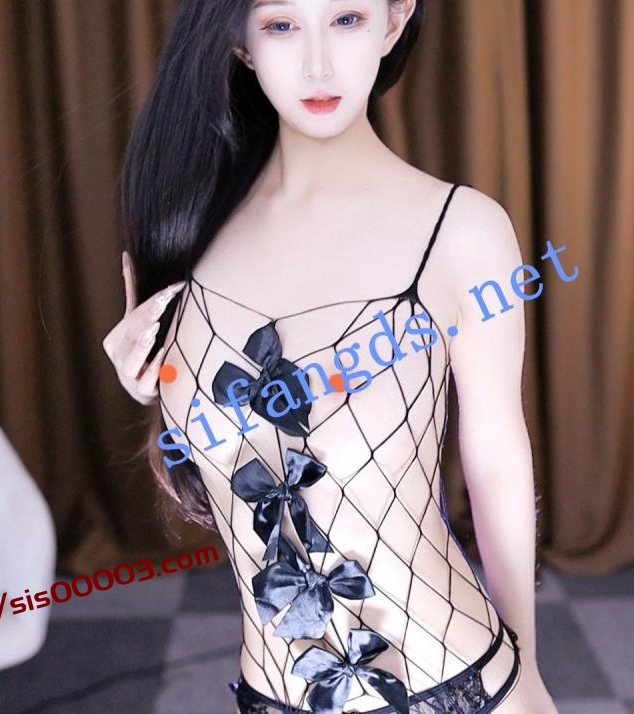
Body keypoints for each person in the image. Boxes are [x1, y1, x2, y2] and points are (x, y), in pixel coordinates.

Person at [102, 1, 556, 712]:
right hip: (268, 693)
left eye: (345, 18)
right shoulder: (189, 235)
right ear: (241, 42)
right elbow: (211, 456)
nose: (317, 64)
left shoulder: (460, 233)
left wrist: (526, 665)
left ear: (392, 22)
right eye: (281, 25)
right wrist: (152, 389)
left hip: (453, 685)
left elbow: (497, 458)